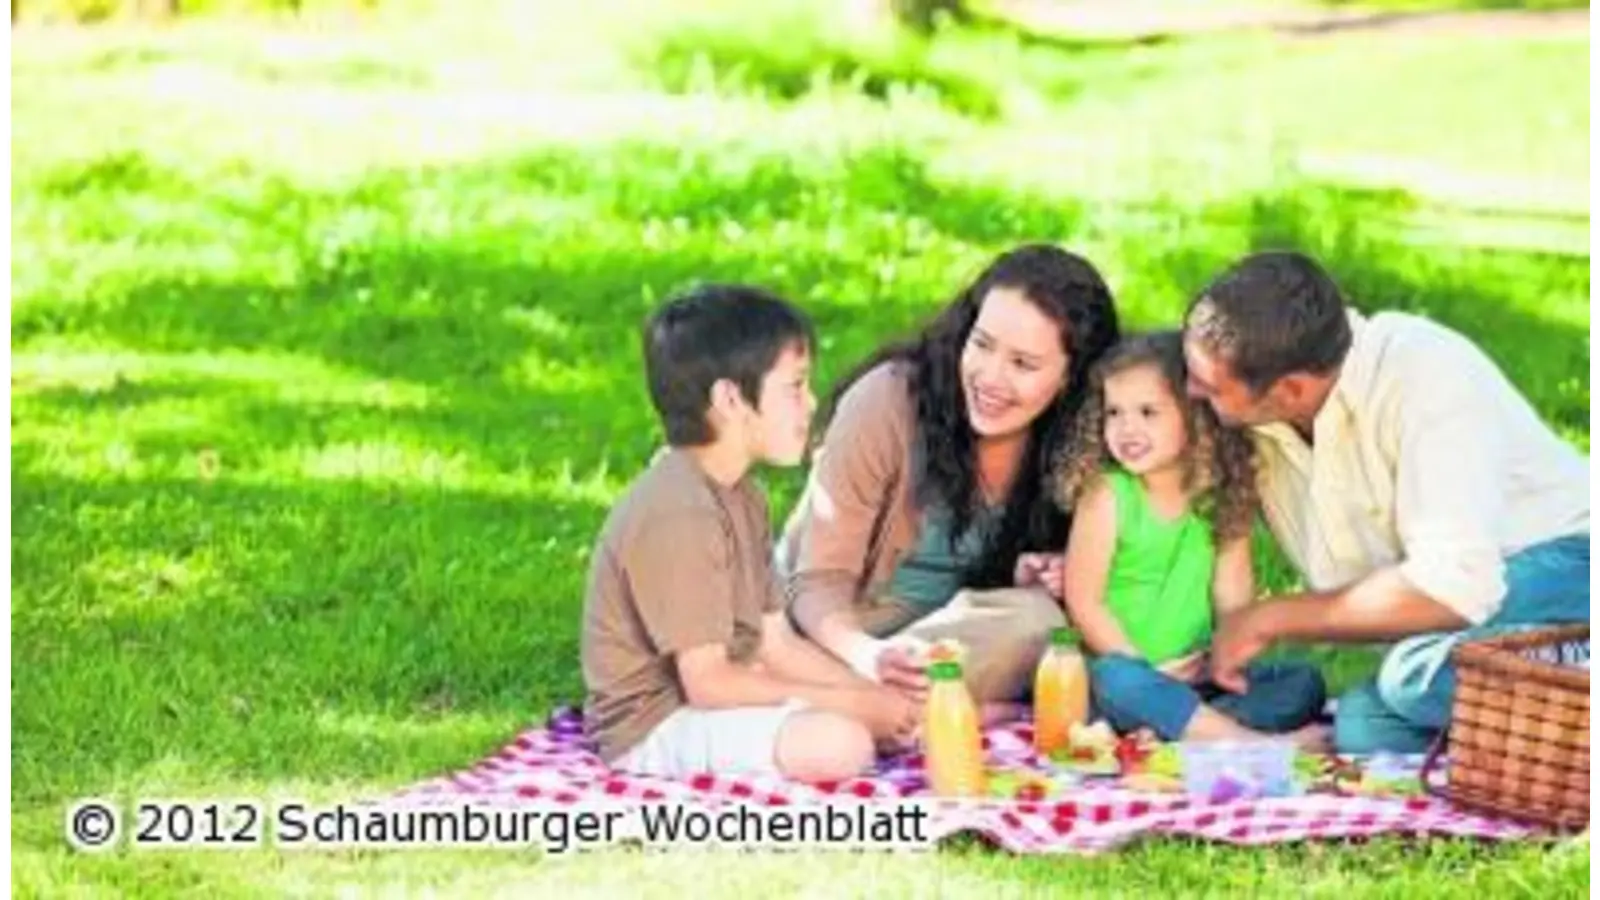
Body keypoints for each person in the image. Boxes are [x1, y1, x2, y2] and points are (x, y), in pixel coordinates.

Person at [1180, 251, 1590, 754]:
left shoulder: (1427, 374)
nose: (1189, 390)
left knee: (1410, 675)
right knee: (1367, 726)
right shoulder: (1262, 419)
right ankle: (1562, 701)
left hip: (1568, 563)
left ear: (1290, 389)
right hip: (1469, 618)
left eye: (1208, 385)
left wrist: (1270, 617)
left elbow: (1456, 586)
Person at [580, 284, 917, 784]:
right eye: (795, 387)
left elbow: (776, 643)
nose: (812, 402)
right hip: (655, 725)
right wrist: (857, 707)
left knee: (870, 720)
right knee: (842, 743)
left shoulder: (744, 496)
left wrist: (871, 695)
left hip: (728, 693)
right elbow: (707, 684)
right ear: (731, 398)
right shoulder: (679, 511)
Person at [778, 244, 1121, 716]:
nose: (990, 378)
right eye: (981, 344)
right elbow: (815, 583)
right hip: (841, 635)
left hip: (951, 646)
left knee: (1038, 619)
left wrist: (1043, 571)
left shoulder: (1086, 444)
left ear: (1072, 377)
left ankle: (874, 710)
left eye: (1023, 364)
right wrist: (868, 655)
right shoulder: (887, 402)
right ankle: (891, 707)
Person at [1051, 331, 1328, 748]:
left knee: (1302, 683)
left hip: (1194, 681)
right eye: (1113, 413)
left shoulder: (1221, 496)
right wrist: (1147, 670)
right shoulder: (1108, 495)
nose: (1127, 428)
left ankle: (1179, 732)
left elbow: (1233, 601)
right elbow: (1084, 603)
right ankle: (1246, 743)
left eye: (1147, 412)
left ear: (1195, 415)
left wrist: (1221, 659)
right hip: (1122, 678)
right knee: (1116, 680)